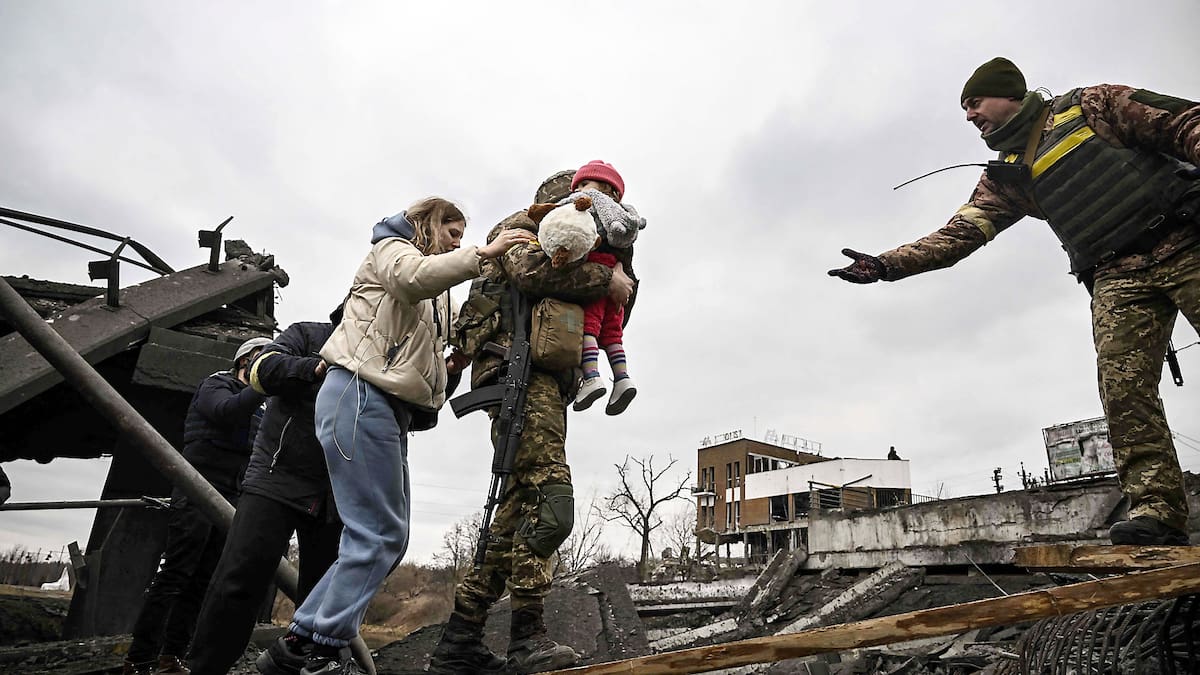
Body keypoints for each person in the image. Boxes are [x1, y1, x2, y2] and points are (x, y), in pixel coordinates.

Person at [829, 57, 1200, 546]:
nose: (969, 116)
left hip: (1185, 241)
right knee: (1124, 392)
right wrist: (886, 265)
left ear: (1009, 94)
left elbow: (1183, 124)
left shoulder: (1092, 106)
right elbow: (960, 234)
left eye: (974, 103)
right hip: (1116, 276)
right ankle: (1157, 509)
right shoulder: (1007, 176)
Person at [256, 198, 533, 675]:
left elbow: (422, 349)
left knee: (389, 536)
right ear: (429, 223)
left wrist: (449, 368)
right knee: (377, 533)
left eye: (463, 235)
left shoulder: (436, 291)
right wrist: (486, 253)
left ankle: (298, 643)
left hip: (386, 408)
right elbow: (412, 278)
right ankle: (323, 651)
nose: (459, 241)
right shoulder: (391, 249)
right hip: (359, 395)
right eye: (452, 231)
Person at [428, 171, 636, 674]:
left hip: (549, 385)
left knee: (515, 515)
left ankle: (460, 639)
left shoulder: (601, 242)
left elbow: (620, 306)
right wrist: (604, 278)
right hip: (516, 373)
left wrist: (615, 273)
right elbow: (531, 274)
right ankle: (528, 638)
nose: (599, 206)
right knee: (552, 503)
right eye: (594, 196)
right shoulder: (523, 225)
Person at [187, 313, 343, 675]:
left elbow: (417, 414)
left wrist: (450, 370)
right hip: (276, 477)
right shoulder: (307, 334)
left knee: (320, 601)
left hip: (337, 491)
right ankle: (204, 668)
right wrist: (318, 368)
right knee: (237, 584)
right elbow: (264, 367)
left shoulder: (383, 352)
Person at [123, 336, 271, 675]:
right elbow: (226, 412)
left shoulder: (263, 408)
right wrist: (263, 388)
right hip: (198, 487)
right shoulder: (217, 384)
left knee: (203, 580)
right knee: (176, 573)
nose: (269, 367)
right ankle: (139, 658)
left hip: (232, 496)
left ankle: (171, 657)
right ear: (245, 361)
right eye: (264, 359)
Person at [565, 160, 646, 416]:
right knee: (612, 334)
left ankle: (591, 377)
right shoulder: (626, 219)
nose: (576, 191)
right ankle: (622, 379)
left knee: (588, 328)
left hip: (596, 280)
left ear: (604, 189)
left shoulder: (586, 207)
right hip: (617, 288)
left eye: (584, 184)